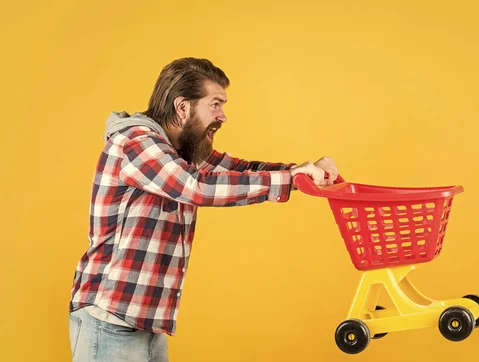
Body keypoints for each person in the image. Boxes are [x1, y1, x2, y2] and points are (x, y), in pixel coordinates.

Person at [68, 57, 340, 361]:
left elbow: (237, 169)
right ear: (182, 107)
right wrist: (289, 178)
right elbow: (196, 186)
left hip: (142, 323)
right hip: (111, 322)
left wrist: (301, 172)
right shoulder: (136, 143)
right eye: (215, 104)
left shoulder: (177, 151)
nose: (222, 116)